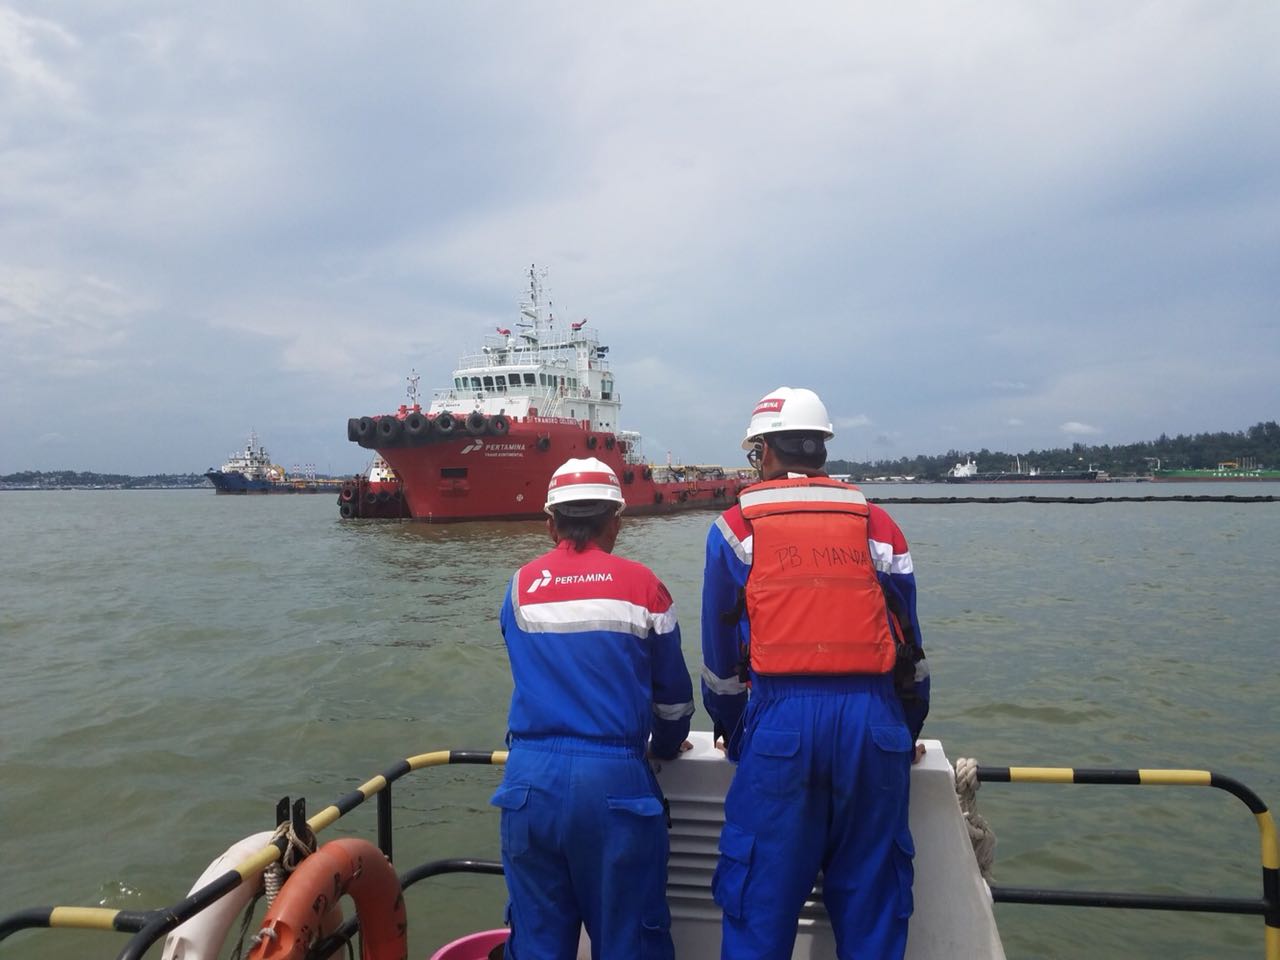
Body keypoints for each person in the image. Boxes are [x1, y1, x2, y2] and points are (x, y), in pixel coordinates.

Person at [700, 387, 929, 960]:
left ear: (763, 452)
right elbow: (912, 652)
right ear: (822, 448)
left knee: (758, 906)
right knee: (874, 907)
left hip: (779, 730)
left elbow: (720, 663)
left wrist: (734, 733)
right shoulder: (878, 524)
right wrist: (904, 733)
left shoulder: (735, 528)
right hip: (874, 730)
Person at [492, 457, 696, 960]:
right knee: (630, 941)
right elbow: (674, 701)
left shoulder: (520, 587)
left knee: (536, 942)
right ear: (615, 522)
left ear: (551, 523)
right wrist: (667, 745)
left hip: (529, 786)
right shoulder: (644, 587)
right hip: (615, 787)